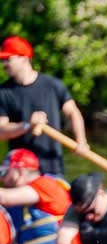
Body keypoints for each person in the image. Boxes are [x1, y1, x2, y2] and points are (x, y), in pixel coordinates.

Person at [0, 35, 88, 176]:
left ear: (24, 58)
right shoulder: (3, 92)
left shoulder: (52, 85)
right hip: (21, 172)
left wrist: (81, 141)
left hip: (52, 167)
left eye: (8, 59)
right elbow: (1, 131)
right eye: (2, 60)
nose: (4, 64)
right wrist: (27, 125)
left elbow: (73, 112)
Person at [0, 147, 86, 244]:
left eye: (4, 172)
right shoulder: (15, 207)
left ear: (20, 171)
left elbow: (4, 197)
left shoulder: (47, 185)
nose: (2, 179)